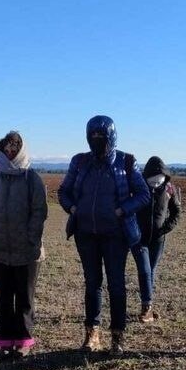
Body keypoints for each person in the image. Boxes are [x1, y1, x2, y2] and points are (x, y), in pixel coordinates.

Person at [58, 116, 150, 355]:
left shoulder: (127, 162)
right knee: (92, 284)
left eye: (102, 137)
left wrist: (123, 210)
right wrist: (73, 208)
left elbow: (143, 194)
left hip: (116, 236)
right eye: (93, 136)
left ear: (112, 137)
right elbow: (64, 191)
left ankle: (117, 337)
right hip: (85, 234)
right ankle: (92, 333)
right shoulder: (79, 162)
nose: (97, 141)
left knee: (117, 285)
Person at [0, 131, 48, 358]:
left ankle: (24, 340)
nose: (9, 153)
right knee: (4, 299)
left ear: (21, 150)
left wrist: (32, 239)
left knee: (25, 298)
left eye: (13, 149)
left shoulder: (32, 179)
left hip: (28, 251)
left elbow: (39, 212)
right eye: (6, 149)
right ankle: (5, 341)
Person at [130, 156, 182, 323]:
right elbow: (129, 208)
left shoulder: (168, 189)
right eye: (152, 180)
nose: (155, 183)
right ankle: (147, 308)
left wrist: (165, 229)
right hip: (139, 238)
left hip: (158, 239)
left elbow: (176, 212)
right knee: (145, 270)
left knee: (151, 271)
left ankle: (148, 306)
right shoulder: (138, 188)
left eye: (158, 180)